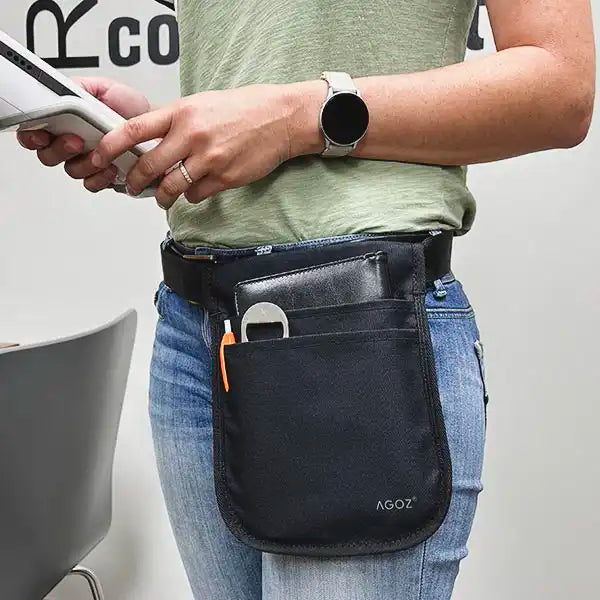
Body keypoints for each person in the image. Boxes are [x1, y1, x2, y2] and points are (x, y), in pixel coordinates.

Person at [17, 1, 595, 598]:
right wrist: (164, 136)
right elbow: (268, 74)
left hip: (352, 327)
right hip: (197, 328)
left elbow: (561, 84)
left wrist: (297, 118)